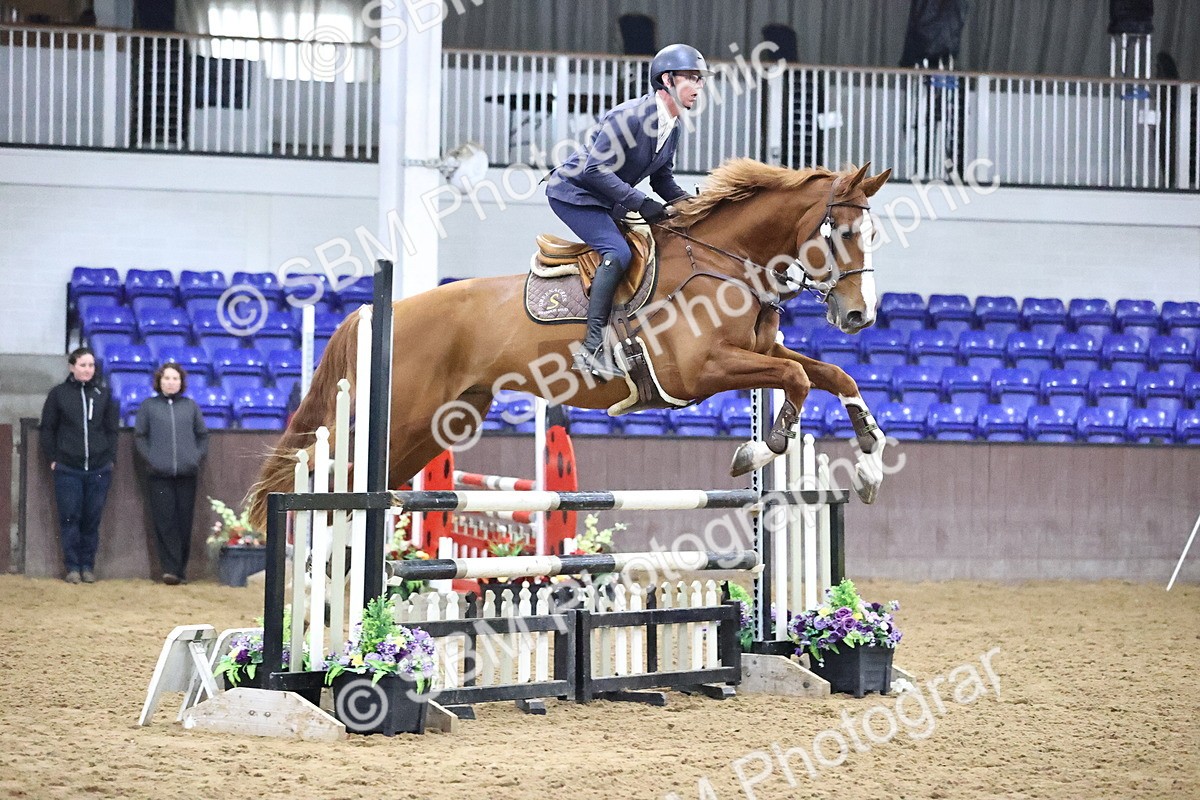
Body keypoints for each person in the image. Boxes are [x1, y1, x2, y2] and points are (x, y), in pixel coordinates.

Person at [545, 43, 711, 379]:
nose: (699, 87)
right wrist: (640, 202)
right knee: (618, 252)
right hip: (574, 194)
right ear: (667, 80)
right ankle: (591, 348)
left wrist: (696, 208)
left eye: (701, 80)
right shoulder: (630, 116)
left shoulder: (673, 127)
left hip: (608, 198)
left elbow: (663, 181)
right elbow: (594, 170)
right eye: (691, 78)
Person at [39, 347, 119, 584]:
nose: (87, 369)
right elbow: (48, 429)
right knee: (70, 518)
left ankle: (88, 566)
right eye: (83, 365)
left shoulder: (104, 395)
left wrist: (109, 458)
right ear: (72, 367)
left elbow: (111, 430)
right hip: (68, 468)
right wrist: (54, 458)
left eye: (91, 365)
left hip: (99, 468)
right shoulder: (58, 394)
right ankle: (72, 566)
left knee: (91, 520)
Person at [135, 363, 209, 585]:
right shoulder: (148, 406)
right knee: (164, 522)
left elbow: (202, 435)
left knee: (184, 523)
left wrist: (194, 457)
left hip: (187, 474)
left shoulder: (190, 406)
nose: (170, 382)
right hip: (159, 475)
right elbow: (140, 436)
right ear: (159, 381)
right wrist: (152, 459)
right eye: (166, 378)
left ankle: (181, 570)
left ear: (181, 382)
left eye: (175, 378)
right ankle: (169, 569)